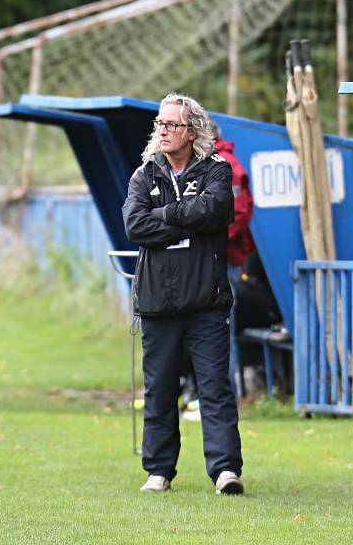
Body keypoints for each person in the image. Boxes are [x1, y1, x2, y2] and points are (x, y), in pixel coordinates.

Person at [122, 93, 244, 495]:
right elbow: (136, 226)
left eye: (171, 125)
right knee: (159, 390)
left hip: (206, 302)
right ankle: (158, 470)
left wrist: (167, 218)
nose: (162, 131)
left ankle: (225, 471)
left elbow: (216, 210)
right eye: (159, 124)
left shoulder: (216, 170)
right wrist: (185, 219)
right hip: (158, 303)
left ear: (192, 132)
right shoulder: (143, 174)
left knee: (214, 387)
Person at [212, 119, 256, 399]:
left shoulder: (225, 165)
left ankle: (228, 394)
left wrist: (208, 241)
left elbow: (239, 212)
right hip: (216, 259)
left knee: (220, 327)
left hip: (225, 260)